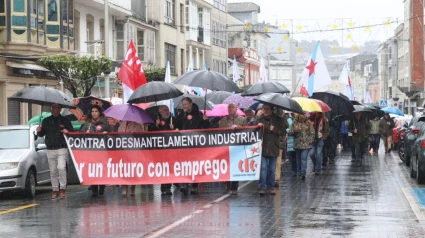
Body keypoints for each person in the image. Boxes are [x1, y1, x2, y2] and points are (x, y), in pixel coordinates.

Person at [36, 104, 73, 199]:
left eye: (56, 108)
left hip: (62, 148)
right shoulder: (46, 121)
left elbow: (71, 132)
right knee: (53, 171)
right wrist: (39, 131)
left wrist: (67, 131)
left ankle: (63, 189)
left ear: (60, 109)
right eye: (52, 108)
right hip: (50, 148)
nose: (54, 110)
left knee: (61, 168)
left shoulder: (65, 120)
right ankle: (55, 190)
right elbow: (41, 134)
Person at [177, 97, 210, 195]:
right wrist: (175, 128)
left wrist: (205, 121)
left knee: (195, 165)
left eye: (186, 104)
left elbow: (206, 128)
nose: (184, 106)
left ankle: (195, 185)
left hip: (196, 144)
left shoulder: (199, 114)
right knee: (185, 165)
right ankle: (184, 184)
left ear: (191, 104)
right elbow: (177, 126)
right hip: (184, 145)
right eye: (183, 105)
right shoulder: (181, 115)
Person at [253, 104, 286, 195]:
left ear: (272, 109)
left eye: (267, 109)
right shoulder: (259, 119)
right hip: (263, 147)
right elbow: (252, 128)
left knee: (272, 169)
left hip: (273, 147)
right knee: (263, 168)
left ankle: (271, 187)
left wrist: (274, 129)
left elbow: (283, 131)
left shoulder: (277, 119)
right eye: (264, 109)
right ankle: (262, 186)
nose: (265, 111)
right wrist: (258, 124)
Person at [79, 105, 111, 197]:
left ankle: (101, 186)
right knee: (92, 168)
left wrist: (106, 134)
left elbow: (111, 134)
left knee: (101, 168)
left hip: (102, 151)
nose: (94, 113)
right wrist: (85, 133)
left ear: (99, 112)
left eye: (96, 111)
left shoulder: (105, 123)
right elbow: (80, 136)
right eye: (92, 111)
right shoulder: (87, 124)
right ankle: (94, 188)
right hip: (91, 151)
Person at [218, 103, 247, 195]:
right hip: (225, 146)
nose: (230, 109)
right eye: (229, 107)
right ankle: (227, 183)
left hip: (237, 147)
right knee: (226, 166)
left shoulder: (242, 120)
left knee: (234, 167)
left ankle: (234, 187)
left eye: (232, 107)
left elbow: (248, 131)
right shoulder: (222, 121)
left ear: (236, 108)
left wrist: (239, 128)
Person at [152, 105, 180, 195]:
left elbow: (180, 129)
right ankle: (163, 187)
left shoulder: (173, 119)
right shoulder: (157, 120)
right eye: (164, 110)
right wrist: (156, 125)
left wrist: (175, 128)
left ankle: (169, 185)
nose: (166, 111)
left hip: (171, 148)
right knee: (163, 168)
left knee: (170, 167)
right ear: (160, 112)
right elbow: (151, 132)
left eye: (167, 109)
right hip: (161, 149)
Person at [118, 120, 144, 196]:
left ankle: (132, 187)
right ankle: (124, 188)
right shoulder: (121, 126)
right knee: (123, 170)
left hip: (134, 151)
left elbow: (142, 137)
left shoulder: (138, 126)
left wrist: (136, 135)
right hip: (123, 151)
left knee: (133, 170)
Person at [288, 113, 315, 180]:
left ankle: (303, 173)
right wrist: (295, 130)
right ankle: (299, 172)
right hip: (297, 144)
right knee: (298, 159)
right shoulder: (295, 122)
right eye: (300, 114)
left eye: (303, 114)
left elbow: (312, 133)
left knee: (303, 158)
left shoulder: (308, 122)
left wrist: (310, 141)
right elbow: (290, 132)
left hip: (306, 145)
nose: (302, 116)